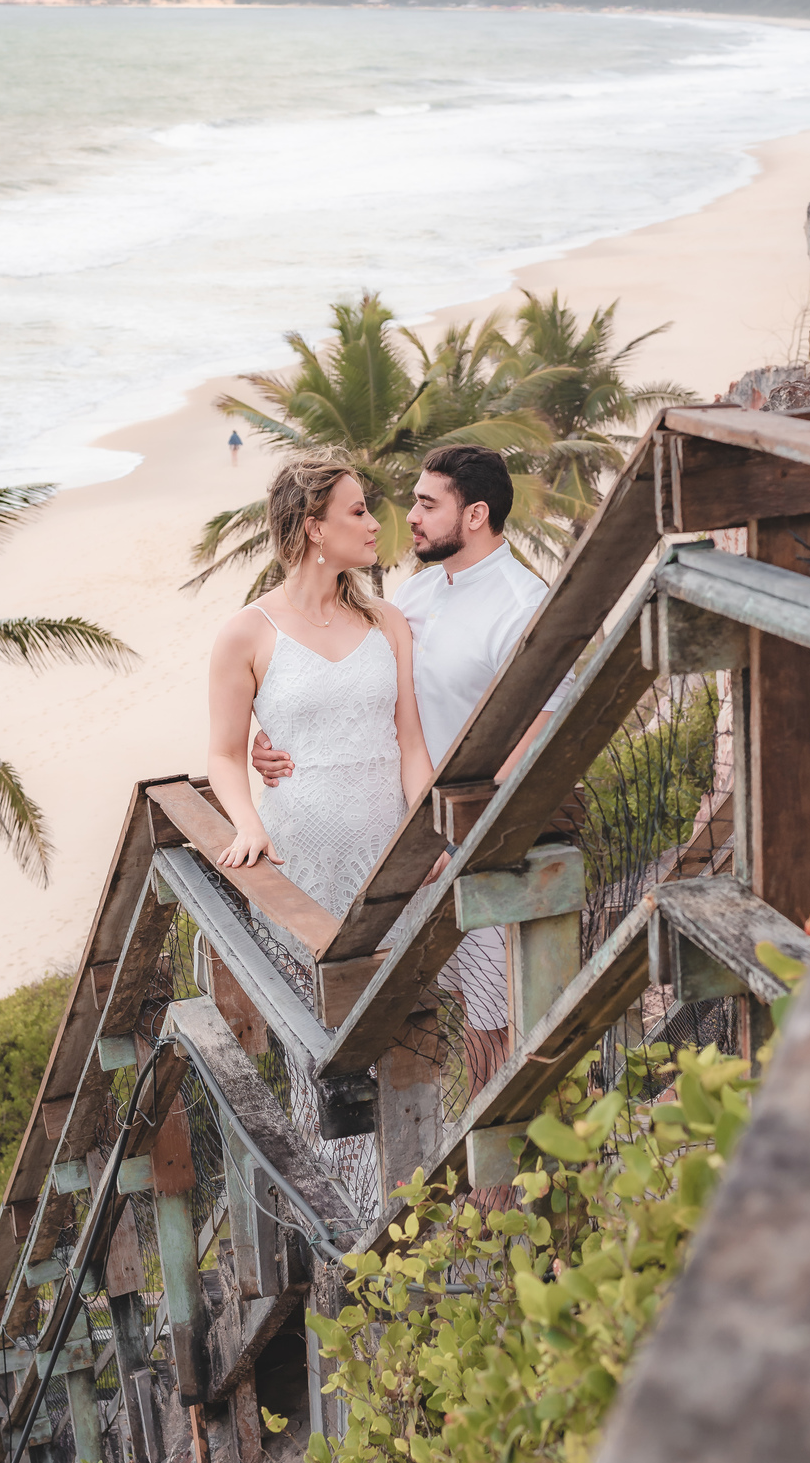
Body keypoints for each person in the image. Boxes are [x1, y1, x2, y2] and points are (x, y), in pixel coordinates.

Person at [252, 445, 572, 1090]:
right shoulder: (416, 592)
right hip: (404, 832)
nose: (410, 517)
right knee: (409, 1002)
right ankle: (424, 1160)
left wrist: (461, 835)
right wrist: (275, 731)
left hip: (476, 838)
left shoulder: (521, 605)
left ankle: (499, 1179)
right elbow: (364, 686)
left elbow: (538, 738)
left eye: (428, 504)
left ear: (475, 514)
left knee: (492, 1014)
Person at [207, 449, 434, 941]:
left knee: (404, 1009)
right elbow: (224, 755)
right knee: (303, 1012)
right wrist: (248, 827)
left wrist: (428, 837)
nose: (375, 524)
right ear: (315, 529)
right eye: (357, 512)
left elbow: (411, 744)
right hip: (296, 859)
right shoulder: (246, 632)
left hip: (388, 860)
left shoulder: (388, 622)